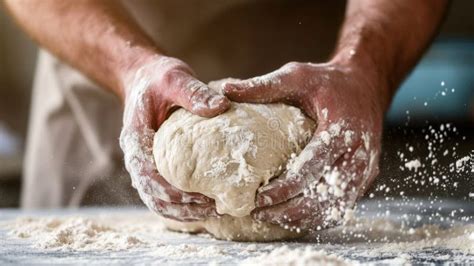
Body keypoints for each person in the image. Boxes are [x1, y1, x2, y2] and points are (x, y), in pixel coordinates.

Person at [5, 0, 448, 230]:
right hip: (106, 61)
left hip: (312, 70)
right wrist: (131, 68)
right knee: (73, 243)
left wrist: (362, 67)